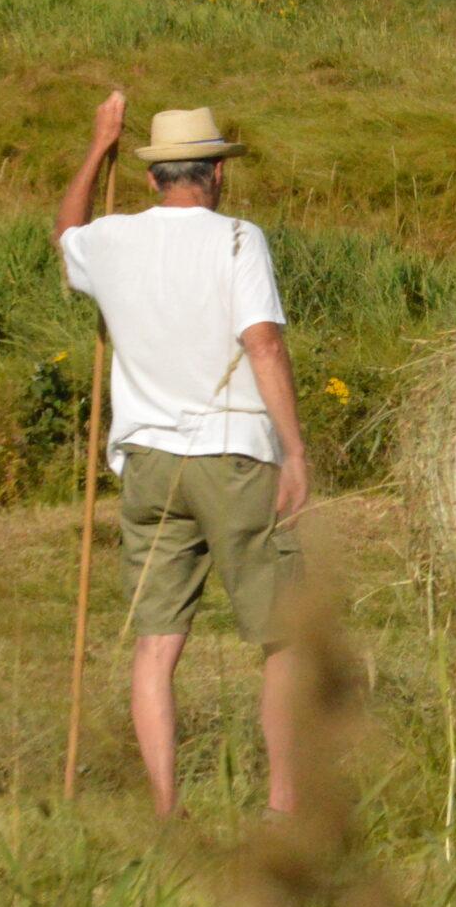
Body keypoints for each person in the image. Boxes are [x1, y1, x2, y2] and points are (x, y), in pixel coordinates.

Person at [54, 92, 311, 820]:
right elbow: (262, 343)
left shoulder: (109, 239)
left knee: (157, 645)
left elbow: (64, 233)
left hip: (150, 462)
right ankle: (283, 807)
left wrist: (98, 145)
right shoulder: (238, 240)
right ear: (218, 175)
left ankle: (167, 811)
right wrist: (293, 450)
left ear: (152, 178)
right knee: (284, 637)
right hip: (233, 455)